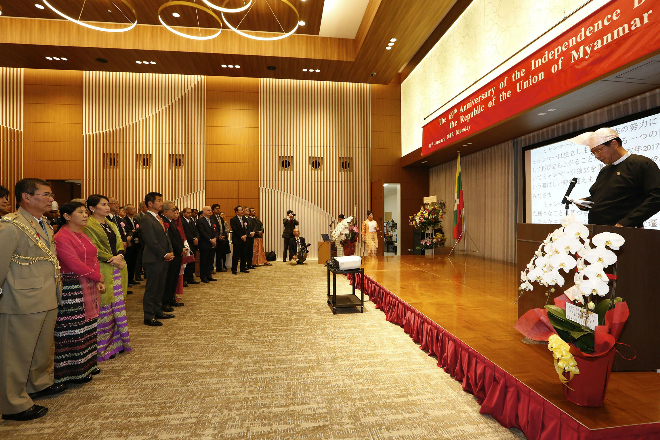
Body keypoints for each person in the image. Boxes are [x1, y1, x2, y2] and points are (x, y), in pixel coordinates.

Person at [0, 178, 64, 421]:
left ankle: (36, 383)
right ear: (26, 197)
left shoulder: (43, 223)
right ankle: (12, 403)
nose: (51, 199)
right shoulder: (11, 225)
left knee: (41, 348)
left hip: (46, 294)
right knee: (15, 353)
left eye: (51, 195)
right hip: (21, 299)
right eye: (45, 194)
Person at [53, 202, 104, 385]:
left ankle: (88, 364)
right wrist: (97, 276)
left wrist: (97, 279)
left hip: (87, 284)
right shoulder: (62, 236)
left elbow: (94, 258)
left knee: (88, 326)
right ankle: (74, 371)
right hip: (71, 287)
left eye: (85, 212)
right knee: (75, 329)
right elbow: (73, 263)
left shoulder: (82, 234)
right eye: (80, 212)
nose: (85, 215)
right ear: (67, 216)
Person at [571, 127, 660, 227]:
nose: (597, 156)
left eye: (598, 150)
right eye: (593, 152)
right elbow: (607, 198)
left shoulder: (641, 164)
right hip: (597, 230)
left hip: (624, 231)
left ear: (614, 144)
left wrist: (627, 222)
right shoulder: (605, 171)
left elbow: (657, 197)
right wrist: (586, 202)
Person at [83, 194, 131, 360]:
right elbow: (93, 248)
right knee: (104, 309)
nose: (107, 207)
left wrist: (120, 255)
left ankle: (117, 344)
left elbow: (120, 242)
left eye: (107, 204)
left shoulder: (111, 224)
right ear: (91, 208)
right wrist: (112, 259)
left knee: (117, 307)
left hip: (117, 268)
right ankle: (103, 347)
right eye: (102, 204)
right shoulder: (88, 225)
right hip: (103, 268)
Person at [140, 192, 175, 326]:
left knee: (160, 288)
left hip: (162, 258)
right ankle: (149, 316)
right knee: (152, 289)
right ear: (150, 203)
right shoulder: (146, 219)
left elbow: (166, 237)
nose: (161, 203)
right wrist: (164, 254)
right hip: (153, 259)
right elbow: (151, 241)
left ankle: (158, 311)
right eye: (159, 201)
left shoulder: (158, 217)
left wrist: (170, 250)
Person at [162, 203, 186, 309]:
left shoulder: (171, 221)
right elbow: (170, 240)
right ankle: (165, 301)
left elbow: (178, 238)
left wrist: (182, 248)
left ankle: (171, 298)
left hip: (177, 254)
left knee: (174, 278)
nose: (175, 212)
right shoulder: (164, 222)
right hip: (171, 254)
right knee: (169, 279)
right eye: (173, 210)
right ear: (166, 211)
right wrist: (180, 249)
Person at [196, 206, 218, 283]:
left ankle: (209, 275)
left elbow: (216, 230)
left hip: (212, 243)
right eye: (208, 210)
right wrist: (210, 239)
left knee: (210, 260)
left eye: (210, 210)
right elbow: (201, 232)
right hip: (204, 243)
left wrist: (215, 238)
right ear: (204, 211)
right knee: (204, 261)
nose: (210, 212)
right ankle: (203, 276)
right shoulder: (200, 220)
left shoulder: (212, 220)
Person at [181, 207, 200, 285]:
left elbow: (196, 231)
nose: (189, 214)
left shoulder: (192, 221)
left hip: (193, 243)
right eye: (188, 213)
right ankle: (184, 279)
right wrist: (192, 239)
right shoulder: (181, 221)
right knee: (186, 261)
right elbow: (184, 233)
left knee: (192, 261)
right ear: (183, 213)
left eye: (190, 213)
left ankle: (190, 277)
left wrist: (197, 238)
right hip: (187, 243)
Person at [122, 204, 140, 287]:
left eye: (134, 208)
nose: (133, 210)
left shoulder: (135, 219)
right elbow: (126, 231)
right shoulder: (124, 220)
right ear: (126, 211)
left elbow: (138, 230)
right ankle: (128, 280)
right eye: (131, 208)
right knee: (128, 262)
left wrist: (134, 231)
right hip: (129, 243)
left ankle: (132, 278)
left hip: (136, 242)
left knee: (134, 261)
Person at [230, 206, 250, 274]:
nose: (242, 211)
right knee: (236, 254)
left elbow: (248, 228)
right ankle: (234, 269)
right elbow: (235, 229)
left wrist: (245, 235)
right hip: (237, 239)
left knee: (244, 254)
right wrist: (241, 236)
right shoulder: (233, 219)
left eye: (242, 210)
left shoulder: (245, 219)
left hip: (245, 239)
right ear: (236, 212)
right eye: (240, 210)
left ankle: (243, 268)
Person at [211, 204, 228, 273]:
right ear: (213, 210)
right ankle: (211, 268)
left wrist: (223, 235)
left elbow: (223, 228)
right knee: (212, 254)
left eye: (219, 208)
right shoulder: (211, 218)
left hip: (221, 238)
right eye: (216, 208)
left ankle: (219, 267)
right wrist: (217, 236)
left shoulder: (220, 218)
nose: (218, 210)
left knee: (219, 254)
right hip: (214, 238)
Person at [244, 206, 257, 270]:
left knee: (250, 251)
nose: (248, 211)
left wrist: (253, 232)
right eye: (246, 210)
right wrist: (249, 233)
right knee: (245, 251)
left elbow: (254, 226)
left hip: (251, 236)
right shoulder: (243, 218)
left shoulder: (250, 219)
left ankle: (249, 264)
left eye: (248, 210)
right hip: (246, 236)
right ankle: (244, 265)